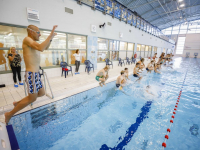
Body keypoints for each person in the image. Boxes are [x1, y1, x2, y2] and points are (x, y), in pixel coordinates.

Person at [4, 25, 58, 124]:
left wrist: (51, 38)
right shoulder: (27, 39)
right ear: (31, 31)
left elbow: (45, 47)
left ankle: (18, 103)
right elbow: (41, 48)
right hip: (31, 74)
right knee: (32, 98)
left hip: (36, 74)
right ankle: (9, 114)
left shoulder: (33, 43)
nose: (40, 34)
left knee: (41, 93)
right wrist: (50, 35)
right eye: (38, 32)